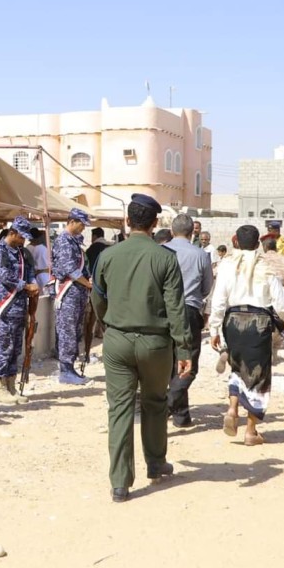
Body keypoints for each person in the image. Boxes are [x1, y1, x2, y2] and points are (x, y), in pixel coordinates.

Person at [91, 195, 191, 502]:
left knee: (119, 409)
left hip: (117, 340)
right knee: (155, 402)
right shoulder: (165, 258)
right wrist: (184, 349)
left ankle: (120, 483)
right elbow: (176, 307)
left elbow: (98, 298)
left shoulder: (107, 256)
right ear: (154, 224)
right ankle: (156, 463)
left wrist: (108, 324)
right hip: (155, 343)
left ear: (127, 222)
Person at [209, 225, 284, 446]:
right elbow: (281, 302)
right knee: (258, 375)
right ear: (258, 244)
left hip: (233, 321)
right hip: (259, 322)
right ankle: (250, 431)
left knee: (237, 366)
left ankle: (232, 408)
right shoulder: (265, 266)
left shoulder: (226, 266)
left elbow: (218, 299)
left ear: (235, 242)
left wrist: (214, 329)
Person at [163, 214, 213, 428]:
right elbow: (206, 287)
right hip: (189, 310)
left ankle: (181, 416)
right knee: (188, 365)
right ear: (193, 232)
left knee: (172, 364)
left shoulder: (162, 251)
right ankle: (164, 408)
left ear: (172, 231)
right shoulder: (201, 255)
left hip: (163, 311)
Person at [0, 216, 40, 405]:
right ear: (12, 233)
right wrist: (26, 286)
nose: (23, 241)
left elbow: (29, 271)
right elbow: (2, 275)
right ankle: (0, 386)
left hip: (20, 304)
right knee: (5, 345)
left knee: (16, 346)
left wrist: (33, 283)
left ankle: (11, 384)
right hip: (6, 304)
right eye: (21, 237)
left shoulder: (22, 252)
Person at [52, 208, 93, 385]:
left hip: (78, 293)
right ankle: (65, 370)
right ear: (72, 221)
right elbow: (70, 269)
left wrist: (87, 278)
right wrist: (88, 283)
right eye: (82, 224)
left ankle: (71, 367)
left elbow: (81, 268)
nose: (83, 228)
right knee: (67, 331)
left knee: (75, 330)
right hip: (68, 292)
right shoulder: (64, 241)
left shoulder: (74, 241)